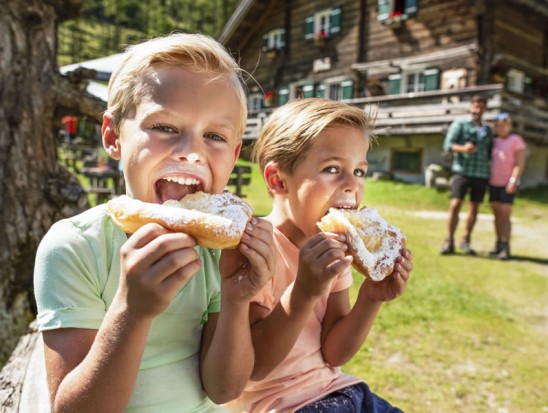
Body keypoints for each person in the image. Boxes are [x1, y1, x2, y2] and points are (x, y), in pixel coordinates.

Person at [33, 33, 274, 412]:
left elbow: (225, 389)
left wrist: (236, 299)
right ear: (113, 136)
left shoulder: (218, 253)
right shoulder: (75, 246)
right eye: (165, 127)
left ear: (235, 153)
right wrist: (132, 311)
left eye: (214, 136)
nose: (193, 152)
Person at [228, 98, 413, 412]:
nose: (352, 184)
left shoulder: (333, 248)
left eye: (359, 171)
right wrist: (304, 291)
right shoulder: (255, 248)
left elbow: (334, 353)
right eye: (332, 169)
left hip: (340, 391)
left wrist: (371, 297)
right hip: (281, 404)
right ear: (278, 180)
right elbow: (255, 367)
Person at [440, 95, 493, 255]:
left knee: (474, 207)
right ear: (471, 107)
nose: (477, 109)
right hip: (462, 171)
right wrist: (463, 148)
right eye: (475, 106)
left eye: (481, 106)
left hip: (481, 173)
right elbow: (448, 145)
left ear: (484, 109)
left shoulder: (488, 129)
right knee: (455, 205)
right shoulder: (460, 124)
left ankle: (465, 240)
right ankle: (448, 240)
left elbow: (490, 151)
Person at [488, 112, 526, 260]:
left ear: (509, 126)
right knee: (496, 215)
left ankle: (506, 245)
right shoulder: (495, 141)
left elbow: (519, 162)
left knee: (505, 215)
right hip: (493, 183)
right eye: (497, 126)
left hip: (507, 183)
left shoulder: (516, 140)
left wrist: (513, 180)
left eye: (503, 125)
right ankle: (498, 244)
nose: (500, 128)